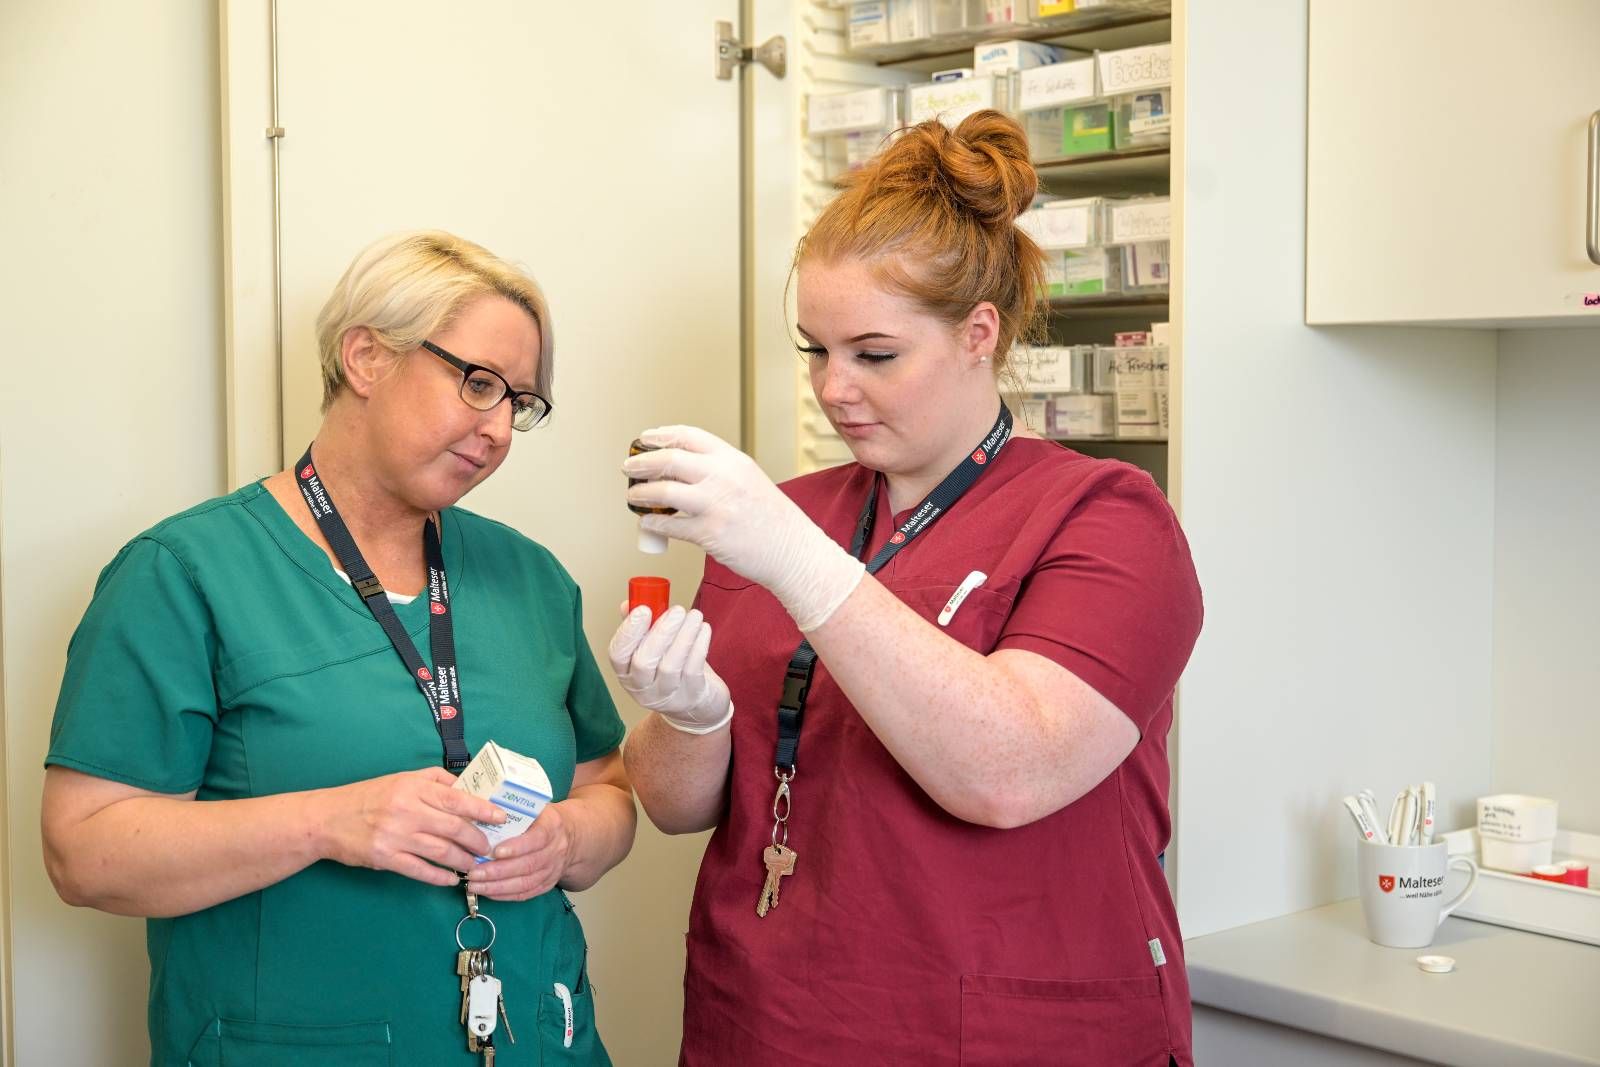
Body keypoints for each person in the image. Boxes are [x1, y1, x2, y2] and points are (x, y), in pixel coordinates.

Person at [609, 111, 1203, 1065]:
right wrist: (687, 719)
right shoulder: (780, 516)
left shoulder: (1107, 519)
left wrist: (794, 557)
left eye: (874, 353)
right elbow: (681, 807)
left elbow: (1009, 773)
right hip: (768, 1014)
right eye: (815, 349)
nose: (833, 387)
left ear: (978, 334)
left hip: (1002, 1024)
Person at [41, 230, 633, 1066]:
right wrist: (330, 822)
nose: (500, 427)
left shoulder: (528, 576)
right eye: (479, 384)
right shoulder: (183, 574)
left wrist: (570, 838)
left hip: (536, 1038)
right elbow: (83, 852)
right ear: (365, 357)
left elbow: (608, 788)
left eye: (520, 404)